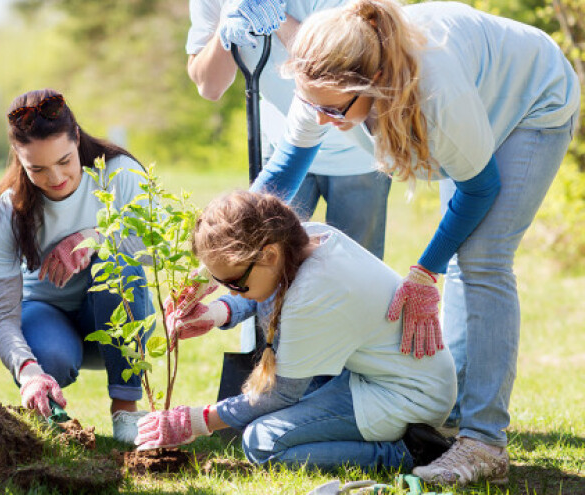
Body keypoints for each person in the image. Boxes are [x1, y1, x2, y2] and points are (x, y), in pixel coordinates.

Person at [244, 0, 579, 485]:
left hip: (531, 100)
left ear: (374, 82)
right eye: (312, 104)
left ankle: (484, 442)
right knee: (465, 254)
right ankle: (450, 422)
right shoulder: (321, 80)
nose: (321, 118)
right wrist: (226, 246)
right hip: (473, 101)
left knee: (481, 260)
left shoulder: (435, 94)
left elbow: (479, 188)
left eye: (334, 109)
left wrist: (424, 272)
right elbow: (284, 172)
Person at [136, 191, 457, 473]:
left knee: (261, 441)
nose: (231, 291)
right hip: (390, 377)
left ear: (269, 255)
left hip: (407, 397)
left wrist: (195, 421)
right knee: (269, 421)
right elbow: (266, 288)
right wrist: (214, 312)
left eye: (234, 283)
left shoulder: (312, 293)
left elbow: (280, 395)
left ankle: (407, 451)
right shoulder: (306, 239)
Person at [0, 89, 155, 443]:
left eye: (64, 161)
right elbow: (3, 316)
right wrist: (28, 371)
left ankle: (125, 410)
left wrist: (95, 237)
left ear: (76, 136)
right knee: (50, 357)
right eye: (37, 169)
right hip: (48, 317)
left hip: (116, 317)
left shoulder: (118, 173)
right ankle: (51, 412)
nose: (56, 178)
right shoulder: (8, 208)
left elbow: (158, 248)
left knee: (118, 266)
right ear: (18, 156)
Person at [186, 0, 391, 259]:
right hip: (285, 141)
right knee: (271, 259)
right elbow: (210, 87)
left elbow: (337, 64)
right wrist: (227, 23)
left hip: (356, 150)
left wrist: (278, 18)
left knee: (356, 264)